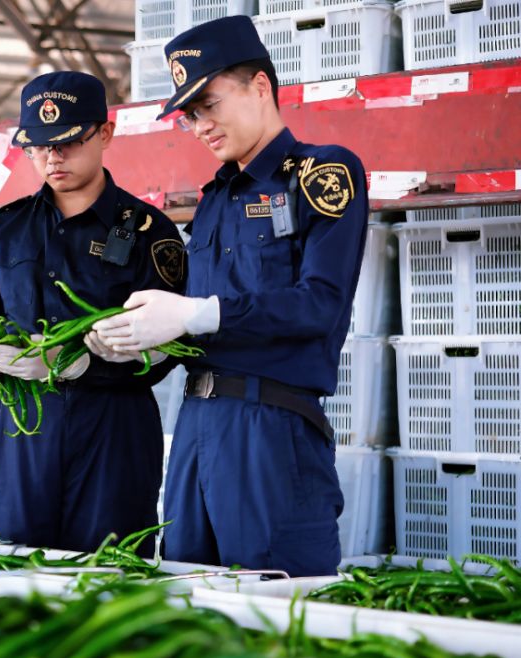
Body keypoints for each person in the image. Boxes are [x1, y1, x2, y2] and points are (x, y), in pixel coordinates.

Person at [92, 16, 368, 576]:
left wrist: (196, 313)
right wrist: (140, 342)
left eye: (209, 105)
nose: (200, 126)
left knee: (278, 599)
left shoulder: (320, 172)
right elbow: (198, 323)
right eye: (190, 115)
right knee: (189, 591)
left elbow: (320, 303)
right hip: (196, 423)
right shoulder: (215, 198)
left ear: (260, 86)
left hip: (270, 426)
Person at [0, 71, 186, 554]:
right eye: (39, 147)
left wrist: (82, 363)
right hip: (17, 425)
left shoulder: (150, 232)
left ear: (105, 134)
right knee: (6, 563)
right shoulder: (7, 230)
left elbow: (171, 347)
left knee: (108, 570)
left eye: (68, 142)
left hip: (111, 428)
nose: (52, 158)